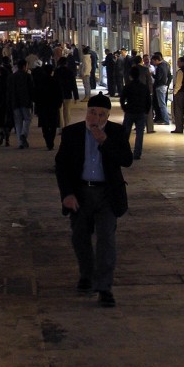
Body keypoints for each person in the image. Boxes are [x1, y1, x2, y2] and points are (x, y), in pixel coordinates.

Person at [54, 93, 134, 305]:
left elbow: (126, 160)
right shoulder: (72, 133)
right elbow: (61, 166)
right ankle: (87, 275)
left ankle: (104, 287)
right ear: (86, 112)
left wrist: (104, 141)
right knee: (80, 237)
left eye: (101, 115)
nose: (95, 118)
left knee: (106, 240)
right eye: (92, 113)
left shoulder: (116, 132)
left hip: (107, 193)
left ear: (107, 116)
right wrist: (67, 194)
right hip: (81, 192)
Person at [120, 66, 151, 159]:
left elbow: (122, 99)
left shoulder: (128, 86)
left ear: (130, 76)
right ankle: (137, 153)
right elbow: (148, 100)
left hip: (130, 111)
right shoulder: (144, 87)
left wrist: (125, 108)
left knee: (126, 133)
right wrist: (146, 111)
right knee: (140, 134)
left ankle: (124, 151)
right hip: (141, 112)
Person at [8, 58, 35, 149]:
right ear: (24, 66)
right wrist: (32, 99)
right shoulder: (28, 76)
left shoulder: (11, 77)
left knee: (18, 122)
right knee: (27, 119)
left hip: (15, 102)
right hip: (25, 101)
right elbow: (31, 89)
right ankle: (24, 134)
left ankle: (20, 143)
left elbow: (9, 91)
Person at [34, 63, 63, 150]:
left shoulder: (40, 82)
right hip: (53, 106)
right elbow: (59, 94)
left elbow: (36, 96)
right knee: (53, 125)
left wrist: (37, 107)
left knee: (45, 125)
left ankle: (48, 141)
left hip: (43, 106)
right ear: (51, 71)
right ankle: (51, 141)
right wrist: (59, 104)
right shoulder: (55, 81)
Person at [56, 57, 80, 129]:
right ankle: (67, 126)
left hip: (58, 94)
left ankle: (61, 127)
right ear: (66, 63)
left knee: (59, 111)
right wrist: (76, 96)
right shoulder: (70, 72)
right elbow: (74, 85)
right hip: (68, 94)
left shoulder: (57, 71)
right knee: (67, 111)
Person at [151, 53, 171, 126]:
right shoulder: (165, 65)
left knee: (162, 104)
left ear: (157, 60)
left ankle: (166, 120)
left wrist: (152, 74)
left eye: (153, 61)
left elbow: (158, 77)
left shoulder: (160, 67)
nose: (153, 63)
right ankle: (165, 119)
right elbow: (169, 76)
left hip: (160, 86)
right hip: (164, 86)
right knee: (162, 103)